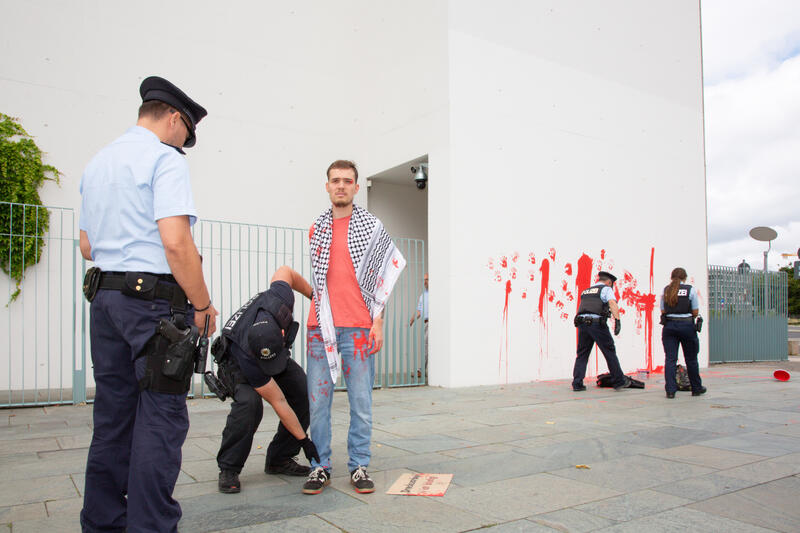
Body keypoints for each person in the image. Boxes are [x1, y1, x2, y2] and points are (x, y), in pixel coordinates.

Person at [78, 76, 218, 533]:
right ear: (175, 119)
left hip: (105, 301)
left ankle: (102, 524)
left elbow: (86, 245)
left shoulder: (98, 162)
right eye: (186, 135)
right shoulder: (164, 159)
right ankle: (151, 527)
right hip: (153, 307)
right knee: (161, 418)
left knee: (113, 418)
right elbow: (176, 243)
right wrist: (201, 304)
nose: (184, 144)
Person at [303, 160, 406, 495]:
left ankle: (359, 466)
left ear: (357, 187)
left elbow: (381, 278)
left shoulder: (371, 227)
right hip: (321, 329)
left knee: (361, 402)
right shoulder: (316, 228)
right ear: (327, 186)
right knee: (318, 404)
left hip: (360, 329)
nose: (341, 186)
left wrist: (378, 321)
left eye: (348, 181)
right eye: (336, 181)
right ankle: (319, 467)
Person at [214, 266, 320, 493]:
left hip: (267, 349)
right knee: (250, 404)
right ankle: (229, 467)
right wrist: (305, 441)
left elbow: (286, 272)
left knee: (303, 391)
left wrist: (315, 297)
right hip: (236, 362)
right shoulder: (248, 355)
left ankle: (279, 459)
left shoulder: (279, 298)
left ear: (282, 334)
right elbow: (279, 402)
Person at [572, 271, 629, 391]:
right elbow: (612, 303)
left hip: (582, 323)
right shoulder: (606, 289)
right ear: (609, 282)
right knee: (609, 351)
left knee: (582, 354)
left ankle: (577, 383)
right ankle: (618, 381)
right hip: (596, 324)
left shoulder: (586, 291)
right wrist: (617, 320)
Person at [661, 267, 706, 399]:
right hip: (686, 326)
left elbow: (663, 310)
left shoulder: (666, 290)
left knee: (670, 359)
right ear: (684, 277)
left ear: (671, 277)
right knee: (691, 359)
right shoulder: (690, 290)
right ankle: (696, 388)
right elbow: (695, 311)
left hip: (669, 326)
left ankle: (670, 390)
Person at [409, 273, 429, 378]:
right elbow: (419, 311)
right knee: (427, 346)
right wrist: (412, 319)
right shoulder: (423, 295)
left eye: (427, 279)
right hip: (427, 323)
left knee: (427, 346)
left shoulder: (437, 293)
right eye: (424, 280)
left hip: (434, 322)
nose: (425, 282)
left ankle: (421, 370)